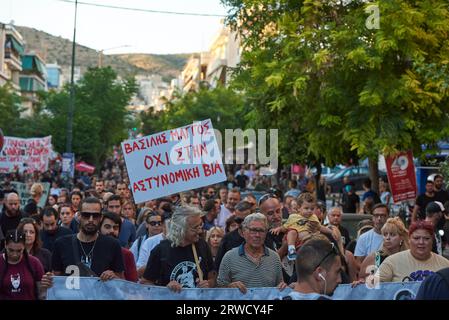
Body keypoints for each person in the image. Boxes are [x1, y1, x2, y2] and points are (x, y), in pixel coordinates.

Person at [41, 197, 124, 288]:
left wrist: (113, 276)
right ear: (79, 216)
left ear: (100, 218)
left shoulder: (112, 245)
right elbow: (56, 278)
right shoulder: (61, 244)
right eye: (86, 215)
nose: (91, 219)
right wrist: (48, 281)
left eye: (95, 216)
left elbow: (122, 282)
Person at [141, 206, 216, 292]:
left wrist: (209, 283)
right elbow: (145, 283)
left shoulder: (203, 245)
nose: (200, 231)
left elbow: (213, 276)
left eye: (200, 225)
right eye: (195, 228)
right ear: (181, 229)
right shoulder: (160, 250)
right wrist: (165, 288)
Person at [217, 213, 287, 293]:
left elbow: (279, 287)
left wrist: (283, 287)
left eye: (261, 231)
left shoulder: (274, 257)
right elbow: (219, 289)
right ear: (243, 232)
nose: (257, 235)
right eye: (253, 230)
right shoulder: (229, 257)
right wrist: (230, 287)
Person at [379, 220, 449, 282]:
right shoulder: (391, 262)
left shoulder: (445, 264)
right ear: (409, 239)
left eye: (426, 238)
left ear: (432, 241)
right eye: (416, 238)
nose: (421, 242)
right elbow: (375, 289)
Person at [271, 192, 332, 261]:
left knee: (318, 236)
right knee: (292, 232)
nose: (309, 211)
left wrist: (330, 231)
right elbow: (285, 227)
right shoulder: (293, 217)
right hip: (297, 240)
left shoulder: (313, 217)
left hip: (309, 241)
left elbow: (320, 227)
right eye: (306, 208)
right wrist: (278, 229)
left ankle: (326, 246)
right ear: (299, 208)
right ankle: (291, 249)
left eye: (312, 209)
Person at [357, 217, 409, 282]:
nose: (387, 238)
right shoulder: (376, 257)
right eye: (385, 234)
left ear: (401, 238)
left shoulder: (408, 257)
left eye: (392, 235)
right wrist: (362, 281)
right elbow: (362, 278)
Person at [0, 230, 45, 300]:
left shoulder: (34, 263)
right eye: (11, 250)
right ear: (5, 245)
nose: (14, 254)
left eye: (19, 251)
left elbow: (42, 293)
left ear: (24, 246)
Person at [214, 201, 255, 269]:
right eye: (238, 220)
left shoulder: (260, 235)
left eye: (245, 220)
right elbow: (218, 265)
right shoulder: (227, 238)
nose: (242, 224)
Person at [100, 211, 138, 282]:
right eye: (107, 227)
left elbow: (133, 286)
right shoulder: (92, 250)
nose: (112, 231)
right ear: (99, 229)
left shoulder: (126, 254)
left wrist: (116, 279)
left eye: (115, 228)